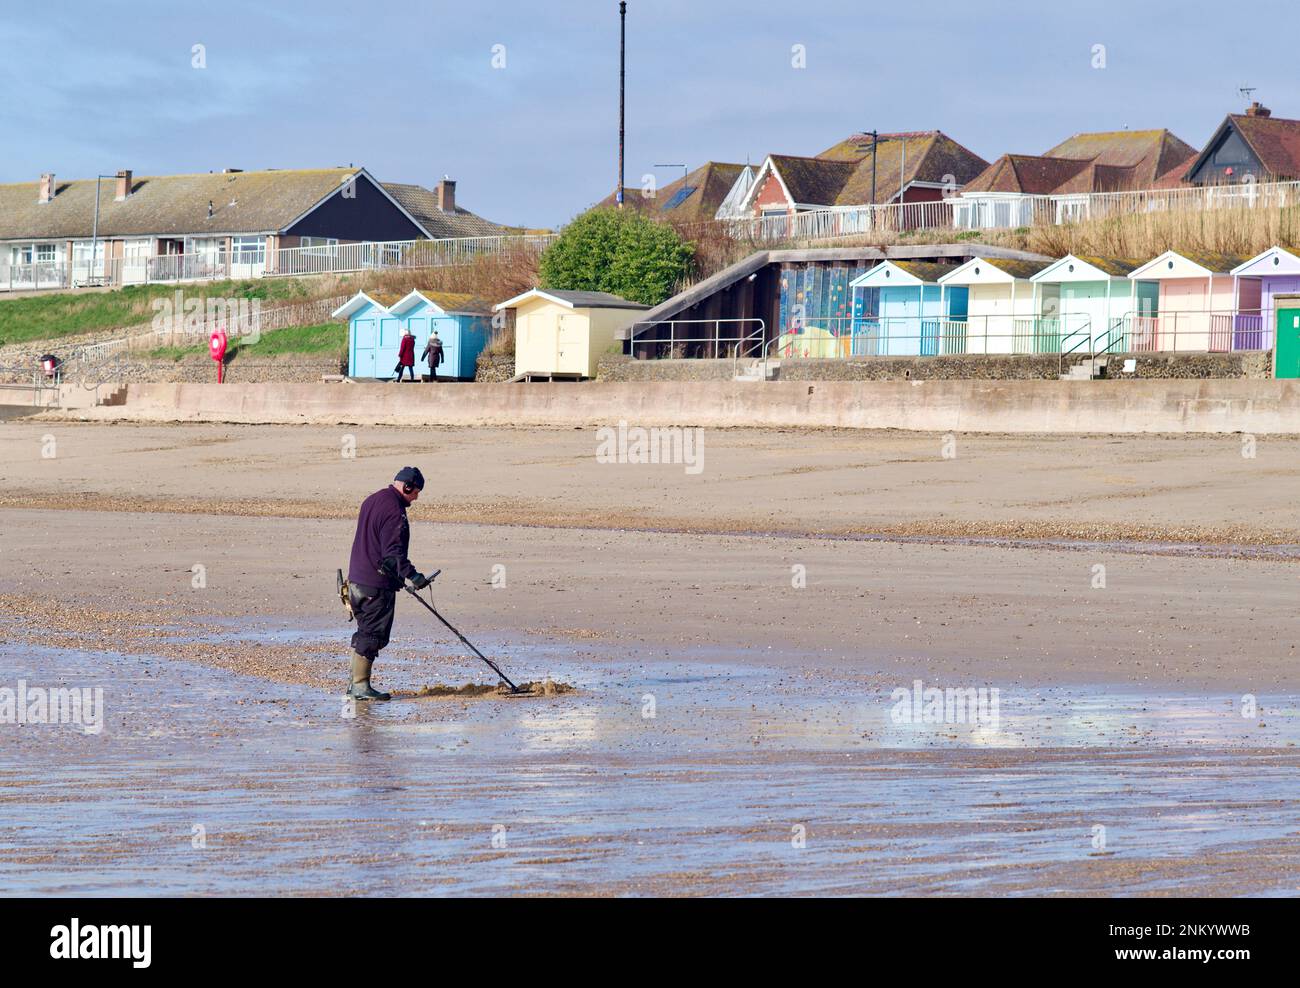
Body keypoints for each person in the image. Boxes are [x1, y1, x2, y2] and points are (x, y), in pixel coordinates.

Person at [345, 467, 434, 701]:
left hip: (356, 579)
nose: (417, 497)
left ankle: (354, 684)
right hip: (375, 584)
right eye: (416, 491)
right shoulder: (395, 512)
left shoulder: (372, 499)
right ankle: (360, 686)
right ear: (406, 487)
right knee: (373, 634)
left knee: (365, 630)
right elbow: (392, 555)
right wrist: (414, 576)